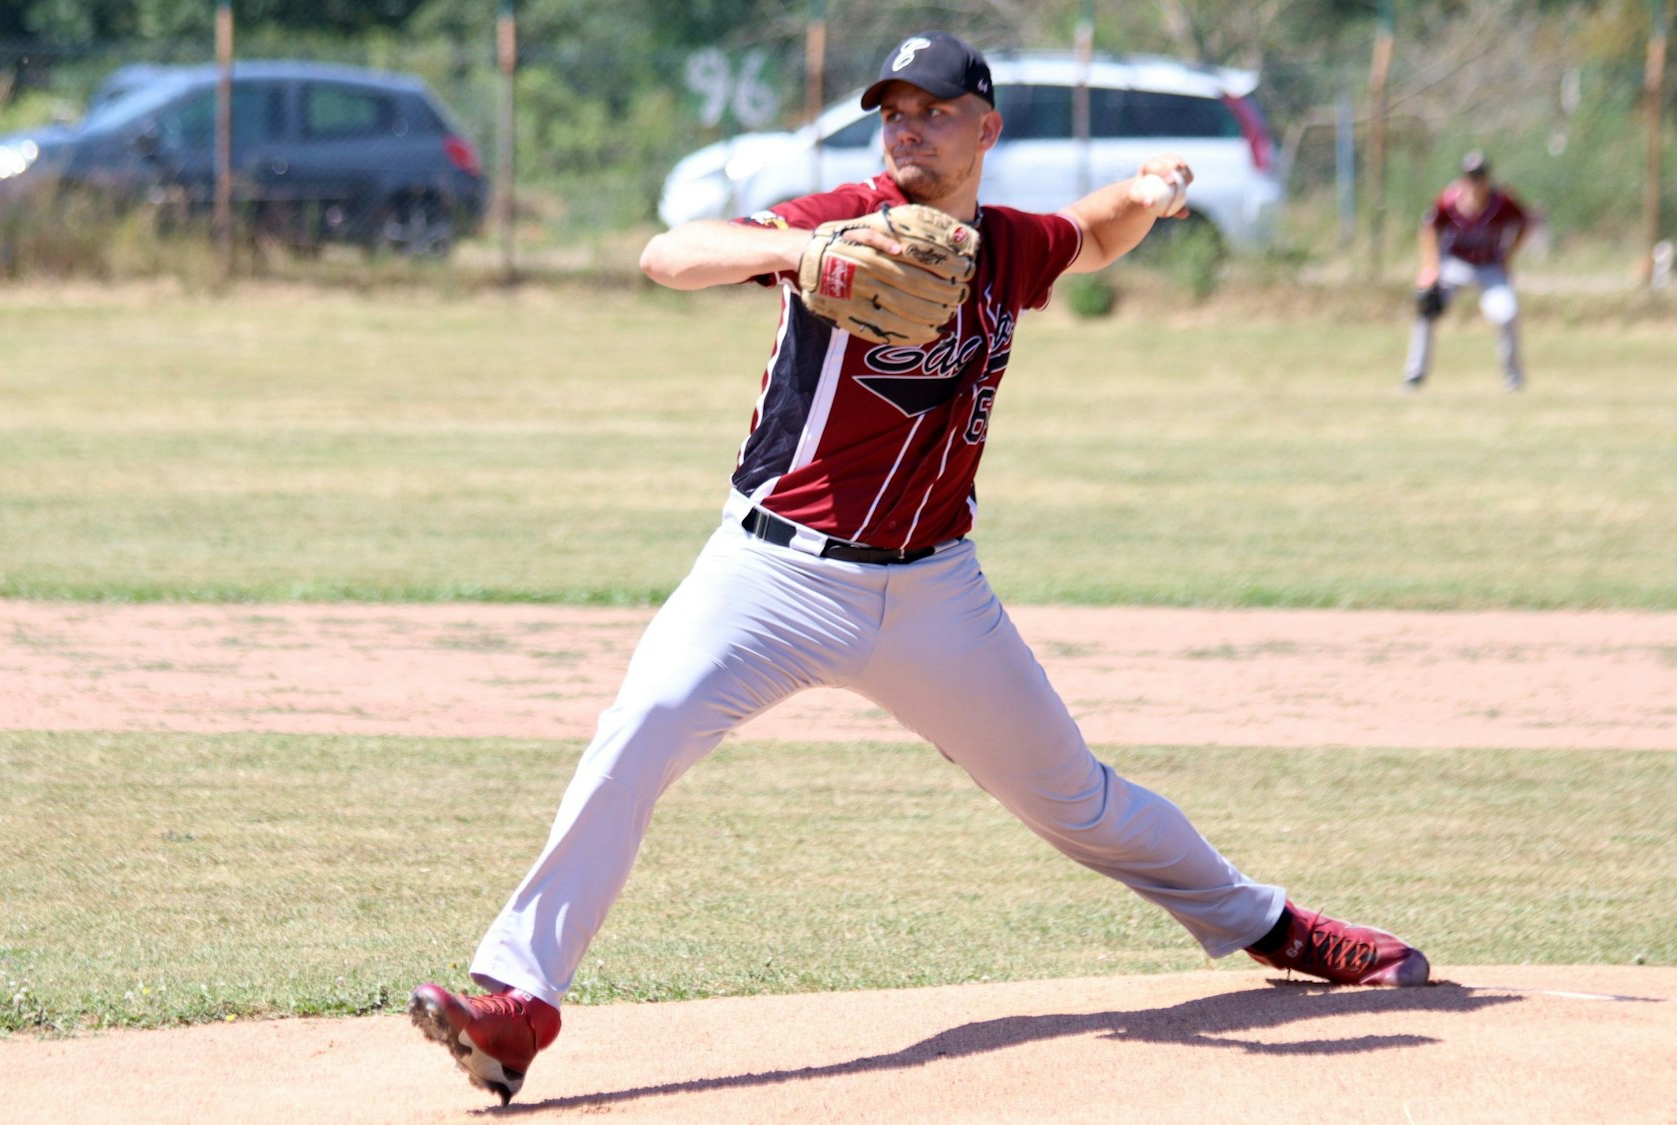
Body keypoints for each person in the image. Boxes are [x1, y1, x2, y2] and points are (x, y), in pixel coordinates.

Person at [407, 31, 1431, 1106]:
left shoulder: (1006, 247)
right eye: (893, 112)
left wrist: (1147, 190)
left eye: (934, 111)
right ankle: (518, 1003)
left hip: (936, 592)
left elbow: (1090, 233)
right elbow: (670, 255)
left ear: (987, 129)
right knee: (638, 734)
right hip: (769, 575)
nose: (907, 129)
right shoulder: (840, 219)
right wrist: (805, 255)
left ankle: (1274, 926)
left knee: (1077, 801)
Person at [1403, 150, 1535, 391]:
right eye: (1471, 176)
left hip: (1489, 267)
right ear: (1464, 178)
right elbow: (1429, 229)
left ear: (1488, 177)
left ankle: (1513, 378)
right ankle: (1414, 374)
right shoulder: (1449, 199)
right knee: (1427, 307)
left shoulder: (1502, 202)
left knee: (1507, 314)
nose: (1476, 181)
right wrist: (1430, 268)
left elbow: (1525, 222)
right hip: (1455, 265)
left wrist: (1508, 256)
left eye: (1480, 175)